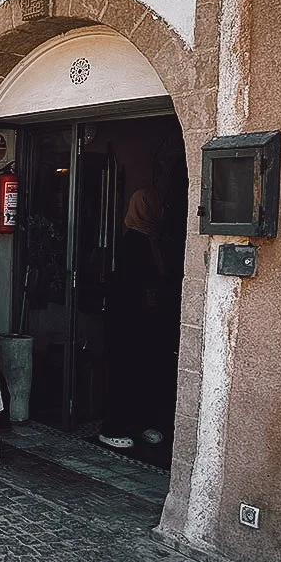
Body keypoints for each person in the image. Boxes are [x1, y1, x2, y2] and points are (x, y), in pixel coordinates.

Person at [100, 189, 174, 451]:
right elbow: (131, 284)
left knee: (143, 372)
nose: (162, 211)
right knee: (126, 373)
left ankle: (140, 423)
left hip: (143, 322)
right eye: (156, 206)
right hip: (128, 322)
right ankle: (114, 427)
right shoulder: (133, 241)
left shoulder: (152, 240)